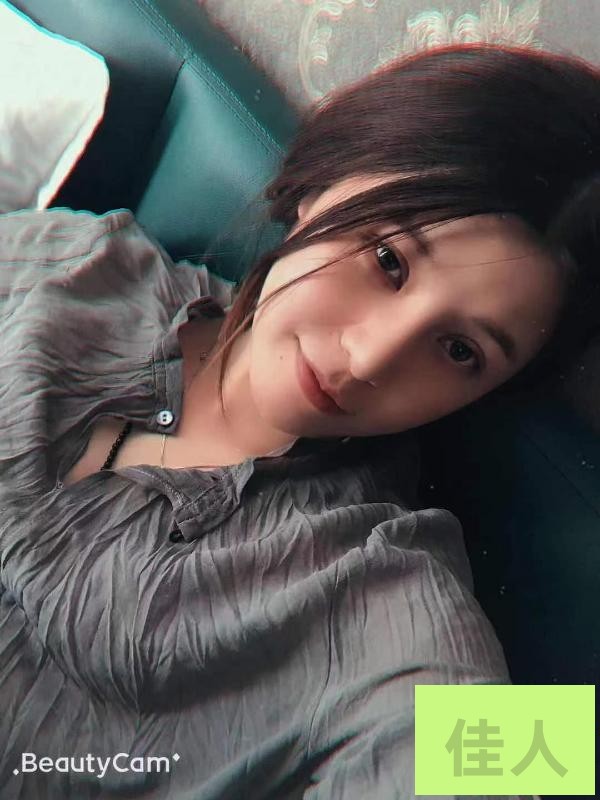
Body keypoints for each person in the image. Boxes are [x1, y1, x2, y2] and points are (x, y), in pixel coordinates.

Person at [0, 41, 599, 799]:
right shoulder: (74, 266)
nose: (370, 357)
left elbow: (512, 749)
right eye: (388, 261)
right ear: (326, 179)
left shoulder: (374, 588)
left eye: (459, 351)